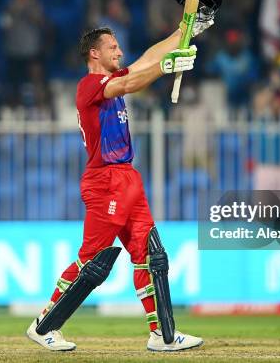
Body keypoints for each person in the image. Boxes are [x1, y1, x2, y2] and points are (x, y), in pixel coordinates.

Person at [26, 19, 213, 352]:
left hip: (127, 177)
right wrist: (166, 67)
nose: (121, 52)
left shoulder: (114, 78)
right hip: (105, 181)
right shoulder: (89, 86)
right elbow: (132, 83)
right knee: (93, 261)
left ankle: (163, 335)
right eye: (113, 47)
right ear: (94, 53)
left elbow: (144, 61)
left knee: (150, 255)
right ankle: (44, 326)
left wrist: (185, 31)